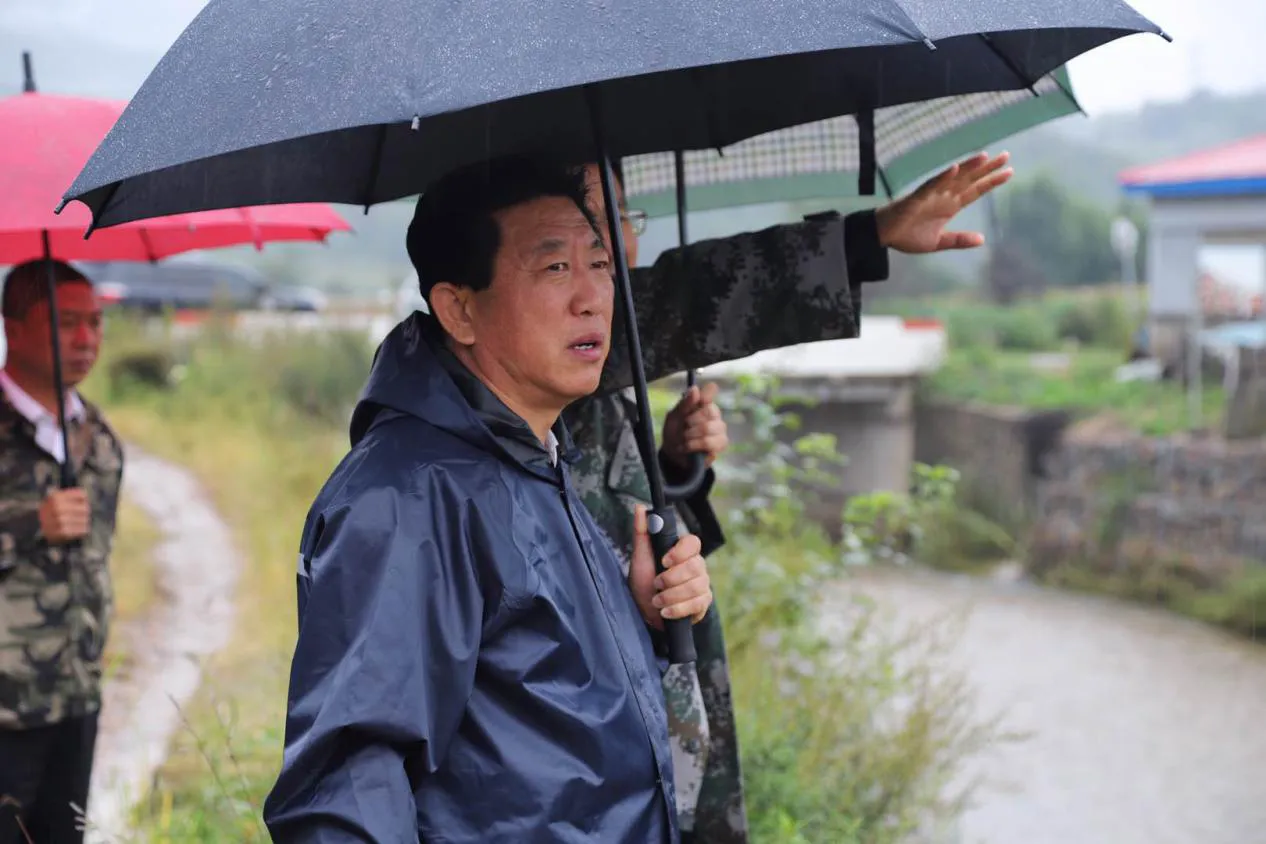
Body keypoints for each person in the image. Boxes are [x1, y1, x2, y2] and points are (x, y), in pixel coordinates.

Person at [559, 151, 1013, 843]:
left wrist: (675, 464)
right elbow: (693, 295)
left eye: (625, 218)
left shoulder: (573, 371)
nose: (624, 246)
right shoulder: (469, 441)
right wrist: (870, 236)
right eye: (598, 223)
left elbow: (613, 509)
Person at [263, 157, 717, 843]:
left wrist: (643, 622)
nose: (594, 296)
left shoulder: (536, 457)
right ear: (459, 309)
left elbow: (541, 713)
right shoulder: (408, 497)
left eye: (599, 261)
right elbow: (350, 784)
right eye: (554, 268)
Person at [0, 260, 121, 844]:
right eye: (66, 322)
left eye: (95, 323)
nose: (86, 339)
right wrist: (28, 527)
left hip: (75, 696)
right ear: (13, 328)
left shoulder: (97, 439)